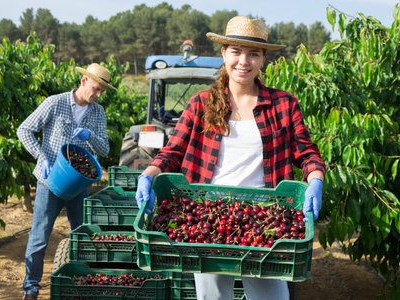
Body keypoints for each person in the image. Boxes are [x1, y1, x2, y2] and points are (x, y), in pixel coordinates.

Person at [135, 16, 326, 300]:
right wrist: (147, 176)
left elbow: (306, 152)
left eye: (253, 54)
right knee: (212, 296)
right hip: (208, 211)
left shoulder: (283, 104)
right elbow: (172, 151)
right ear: (223, 53)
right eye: (236, 51)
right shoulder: (201, 103)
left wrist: (315, 179)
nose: (243, 61)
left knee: (271, 295)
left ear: (263, 60)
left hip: (267, 215)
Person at [17, 63, 114, 300]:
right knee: (39, 237)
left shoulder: (98, 112)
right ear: (83, 81)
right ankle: (31, 290)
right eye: (96, 88)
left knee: (81, 235)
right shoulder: (55, 103)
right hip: (50, 181)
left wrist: (90, 136)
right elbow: (24, 129)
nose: (98, 94)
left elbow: (104, 148)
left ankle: (80, 283)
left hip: (78, 185)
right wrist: (41, 157)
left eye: (102, 90)